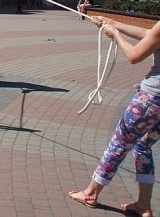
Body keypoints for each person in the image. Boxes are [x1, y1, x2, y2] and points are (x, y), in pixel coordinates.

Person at [69, 18, 160, 217]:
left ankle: (91, 193)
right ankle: (144, 205)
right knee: (143, 146)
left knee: (119, 144)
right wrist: (114, 23)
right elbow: (150, 35)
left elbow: (135, 56)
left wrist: (116, 34)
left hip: (151, 100)